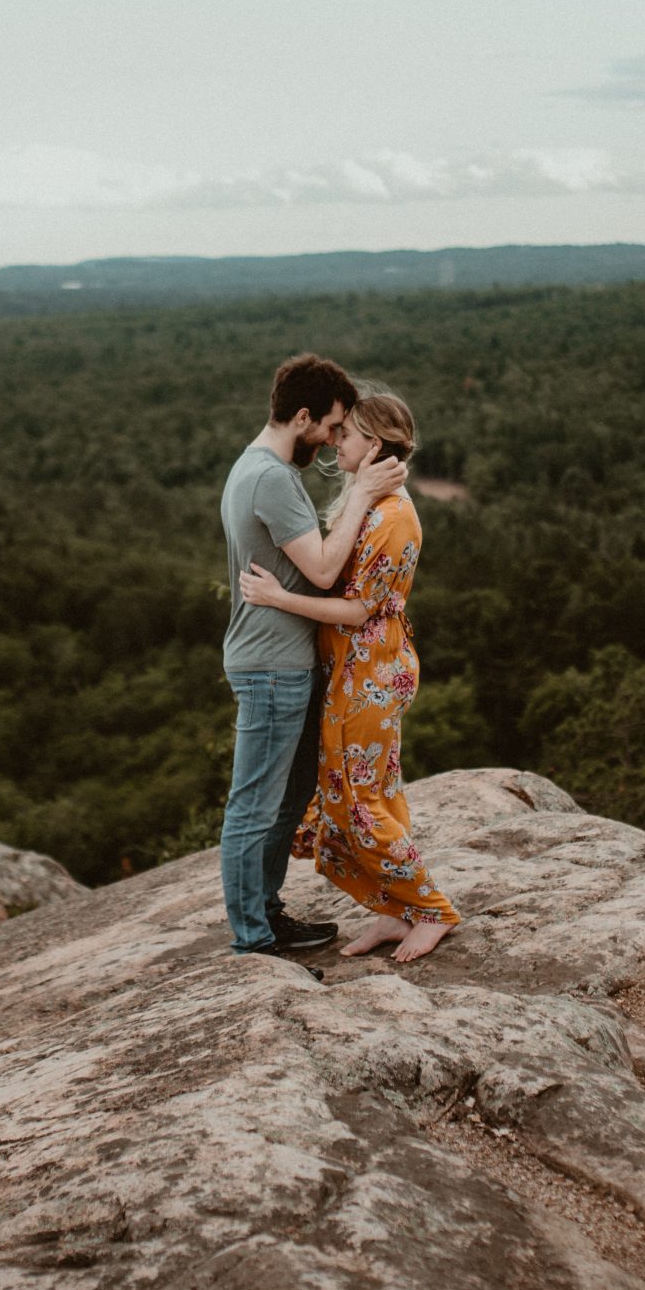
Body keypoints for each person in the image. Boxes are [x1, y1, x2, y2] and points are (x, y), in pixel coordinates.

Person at [239, 393, 458, 963]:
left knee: (359, 795)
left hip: (373, 671)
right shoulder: (372, 502)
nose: (338, 443)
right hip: (353, 669)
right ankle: (394, 911)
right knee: (368, 791)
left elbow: (362, 610)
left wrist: (277, 597)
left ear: (375, 445)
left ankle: (431, 910)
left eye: (349, 436)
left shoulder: (393, 517)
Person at [219, 353, 407, 962]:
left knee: (288, 794)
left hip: (282, 661)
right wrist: (362, 491)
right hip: (272, 664)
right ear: (302, 417)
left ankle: (266, 913)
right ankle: (253, 937)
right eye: (329, 426)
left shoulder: (255, 468)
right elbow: (324, 569)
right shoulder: (271, 478)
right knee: (254, 803)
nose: (332, 440)